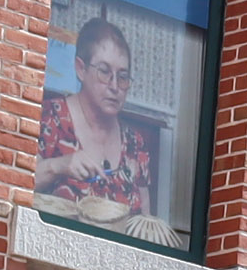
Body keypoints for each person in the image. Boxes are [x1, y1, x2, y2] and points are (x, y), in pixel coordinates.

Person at [33, 14, 163, 234]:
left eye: (122, 76)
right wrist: (58, 166)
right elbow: (12, 186)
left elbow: (143, 226)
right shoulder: (49, 118)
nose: (114, 86)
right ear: (80, 69)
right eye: (104, 72)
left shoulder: (135, 144)